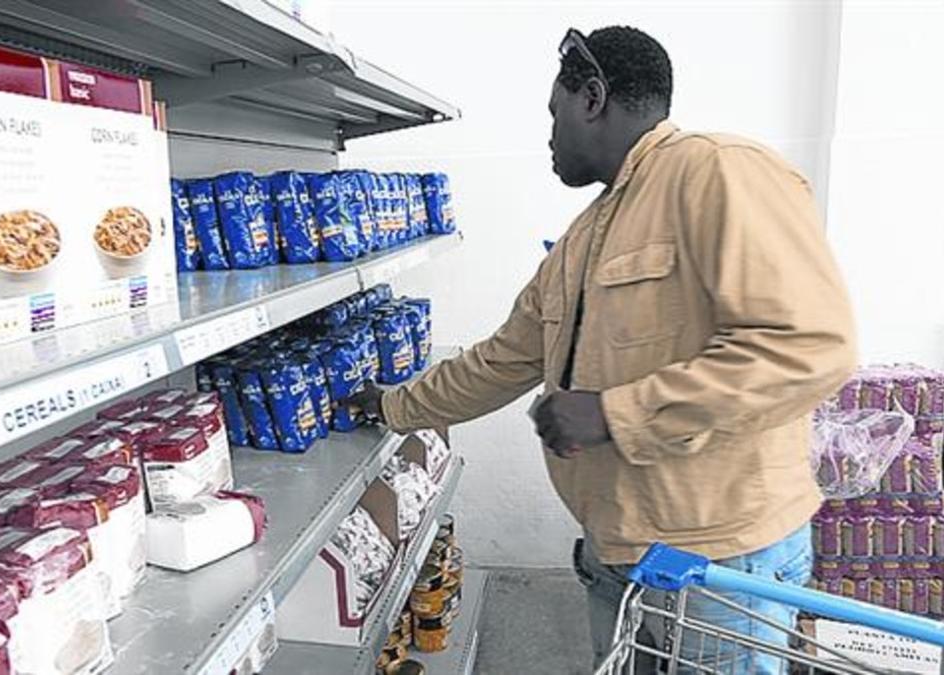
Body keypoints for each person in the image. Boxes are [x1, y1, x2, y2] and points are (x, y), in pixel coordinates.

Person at [346, 25, 856, 673]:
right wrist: (393, 404)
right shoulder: (587, 236)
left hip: (716, 569)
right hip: (620, 555)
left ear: (592, 98)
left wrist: (614, 412)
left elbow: (810, 346)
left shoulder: (718, 171)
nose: (550, 135)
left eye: (554, 113)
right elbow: (500, 359)